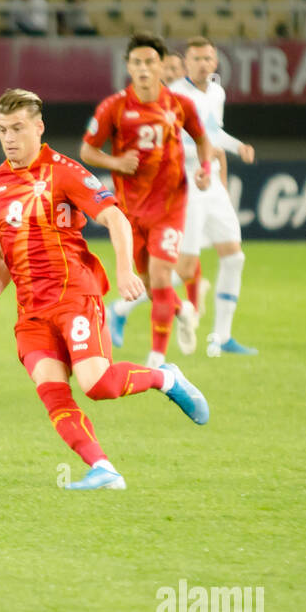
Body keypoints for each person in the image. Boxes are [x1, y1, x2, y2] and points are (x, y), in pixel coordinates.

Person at [0, 89, 209, 491]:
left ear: (38, 127)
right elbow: (3, 253)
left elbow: (116, 219)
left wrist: (125, 269)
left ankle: (165, 378)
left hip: (74, 296)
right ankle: (103, 468)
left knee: (97, 385)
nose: (9, 138)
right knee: (52, 392)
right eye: (2, 130)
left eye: (17, 128)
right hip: (31, 313)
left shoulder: (65, 171)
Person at [80, 33, 215, 369]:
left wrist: (205, 170)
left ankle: (157, 358)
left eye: (150, 62)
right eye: (137, 62)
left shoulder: (179, 105)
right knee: (153, 286)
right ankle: (183, 311)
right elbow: (87, 151)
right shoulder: (114, 107)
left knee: (160, 275)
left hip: (170, 206)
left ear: (161, 65)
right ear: (128, 66)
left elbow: (203, 141)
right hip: (130, 211)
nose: (143, 68)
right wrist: (116, 162)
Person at [168, 36, 258, 357]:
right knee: (185, 267)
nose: (203, 64)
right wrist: (203, 160)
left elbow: (213, 132)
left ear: (216, 62)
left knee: (234, 257)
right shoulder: (175, 94)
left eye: (208, 58)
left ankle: (221, 337)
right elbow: (173, 141)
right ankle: (121, 308)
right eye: (196, 58)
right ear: (186, 62)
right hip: (188, 181)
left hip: (211, 181)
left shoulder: (217, 93)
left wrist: (237, 146)